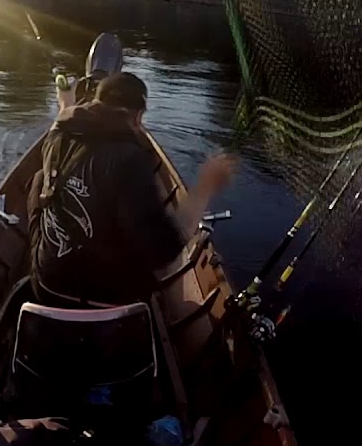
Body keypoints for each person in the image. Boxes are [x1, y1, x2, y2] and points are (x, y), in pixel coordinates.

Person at [27, 71, 235, 308]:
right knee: (150, 243)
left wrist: (66, 100)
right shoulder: (130, 159)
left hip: (46, 287)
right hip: (106, 302)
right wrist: (206, 185)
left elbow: (63, 118)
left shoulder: (57, 136)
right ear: (138, 117)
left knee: (39, 181)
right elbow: (163, 251)